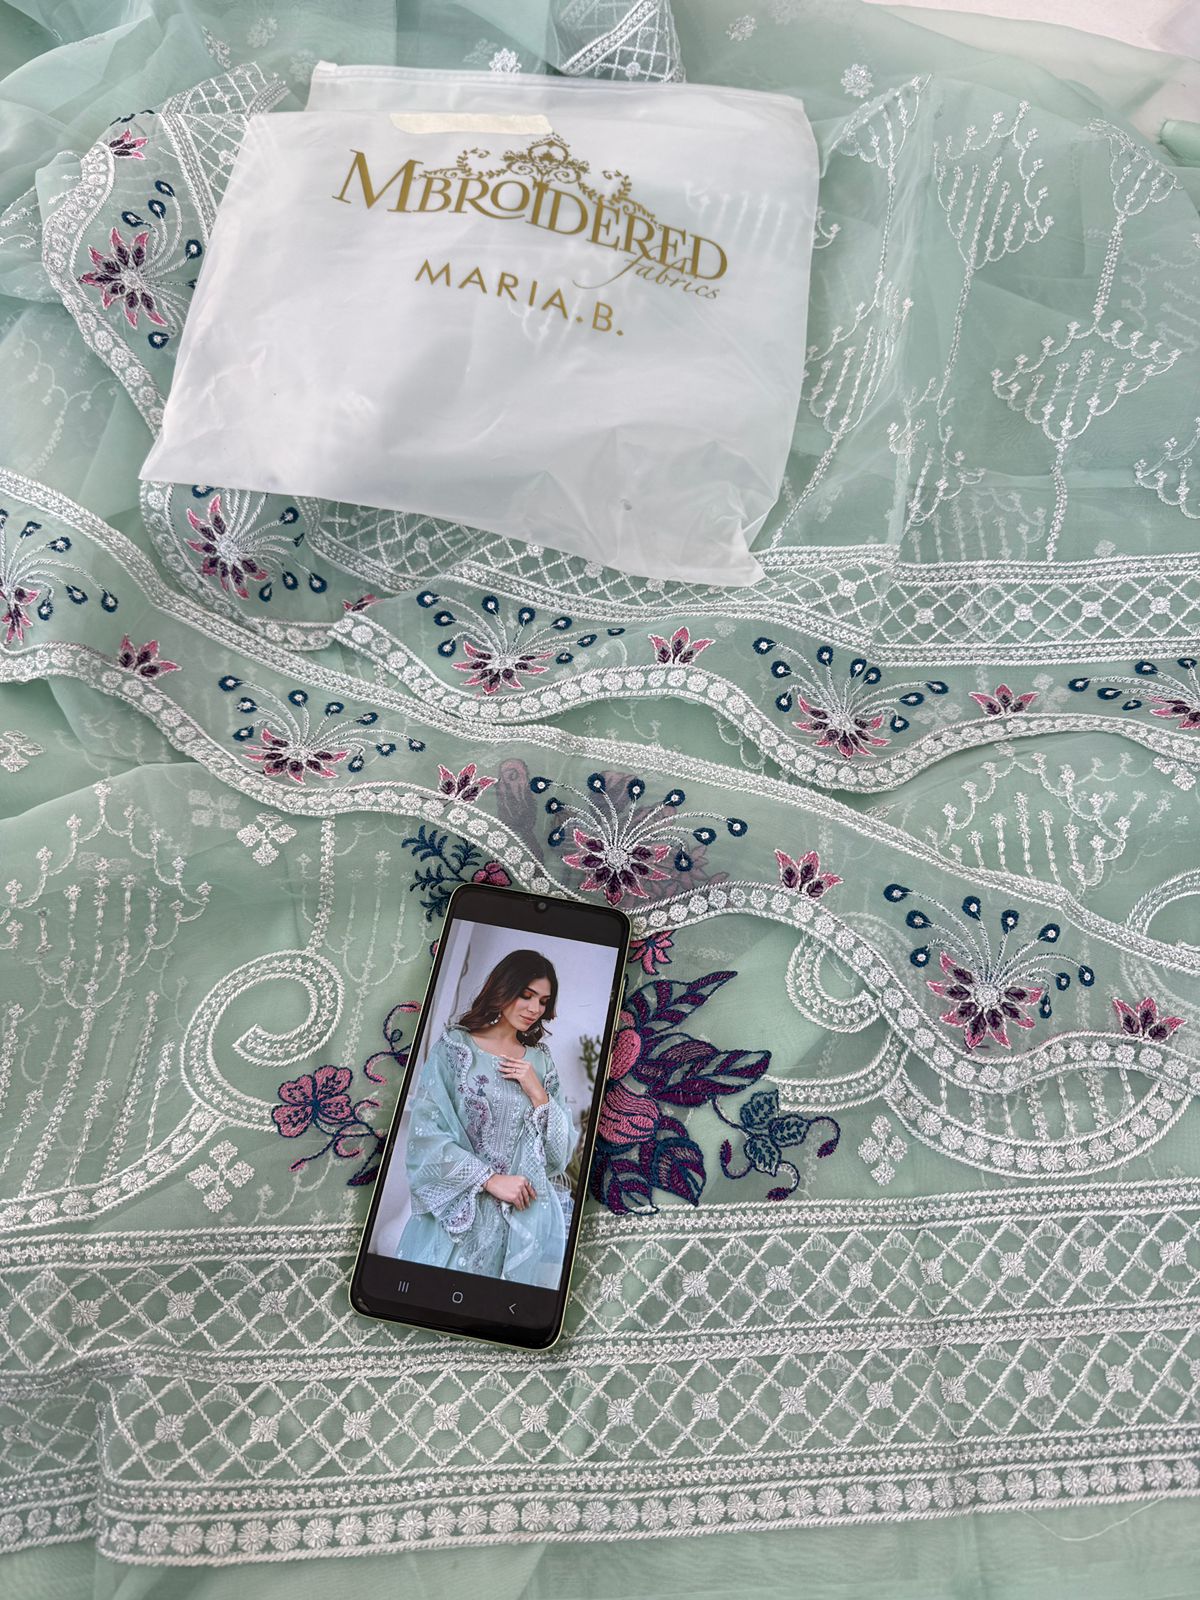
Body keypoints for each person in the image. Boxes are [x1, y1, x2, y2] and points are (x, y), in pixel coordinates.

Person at [397, 949, 575, 1287]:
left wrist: (538, 1094)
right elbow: (425, 1134)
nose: (534, 1009)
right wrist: (489, 1179)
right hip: (456, 1216)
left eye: (543, 1001)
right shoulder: (455, 1047)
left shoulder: (541, 1063)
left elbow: (558, 1156)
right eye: (526, 996)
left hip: (514, 1227)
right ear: (504, 988)